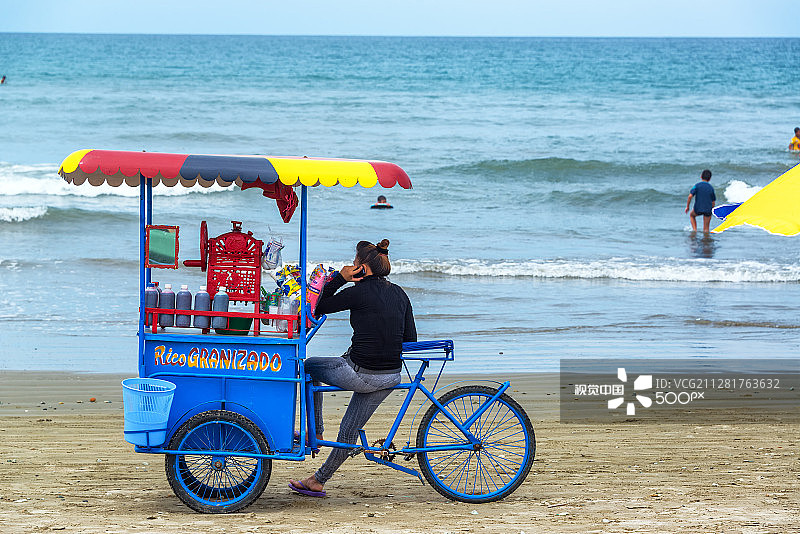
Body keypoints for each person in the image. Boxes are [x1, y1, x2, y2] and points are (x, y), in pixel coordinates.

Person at [289, 238, 416, 497]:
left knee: (309, 366)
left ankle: (315, 432)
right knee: (348, 431)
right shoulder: (400, 293)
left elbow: (319, 305)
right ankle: (318, 480)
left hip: (359, 374)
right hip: (390, 376)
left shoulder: (358, 291)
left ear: (362, 268)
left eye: (354, 263)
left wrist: (339, 278)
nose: (352, 265)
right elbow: (410, 339)